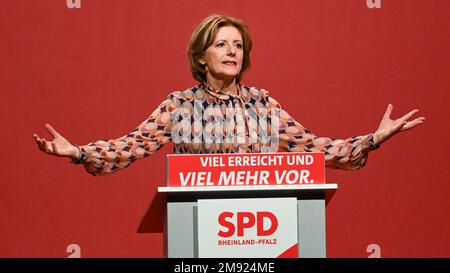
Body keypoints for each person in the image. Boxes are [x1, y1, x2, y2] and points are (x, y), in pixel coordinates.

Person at [33, 14, 425, 176]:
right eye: (221, 44)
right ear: (202, 57)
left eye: (237, 45)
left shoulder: (262, 104)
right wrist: (81, 152)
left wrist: (372, 140)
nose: (232, 52)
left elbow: (314, 148)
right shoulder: (179, 106)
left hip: (265, 230)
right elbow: (132, 146)